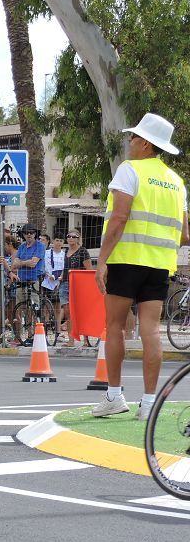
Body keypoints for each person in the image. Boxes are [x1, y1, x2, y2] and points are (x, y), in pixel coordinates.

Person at [93, 113, 188, 419]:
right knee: (151, 332)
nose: (130, 141)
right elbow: (184, 235)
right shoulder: (177, 182)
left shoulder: (129, 170)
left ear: (146, 143)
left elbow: (118, 219)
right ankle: (148, 405)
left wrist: (102, 260)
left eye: (133, 137)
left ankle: (114, 396)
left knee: (114, 328)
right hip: (159, 266)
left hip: (125, 260)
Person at [60, 228, 92, 347]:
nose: (70, 238)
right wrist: (60, 280)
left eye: (73, 236)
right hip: (65, 283)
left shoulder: (83, 251)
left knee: (81, 312)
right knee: (68, 313)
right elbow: (64, 268)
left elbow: (89, 270)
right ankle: (71, 340)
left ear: (78, 238)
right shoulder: (65, 251)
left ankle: (86, 340)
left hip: (79, 284)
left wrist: (88, 286)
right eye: (68, 236)